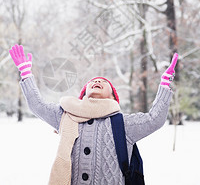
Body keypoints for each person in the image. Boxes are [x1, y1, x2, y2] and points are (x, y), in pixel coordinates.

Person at [9, 44, 178, 185]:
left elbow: (154, 119)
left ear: (113, 97)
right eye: (92, 82)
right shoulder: (66, 116)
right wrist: (26, 73)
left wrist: (164, 84)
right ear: (82, 95)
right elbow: (38, 105)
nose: (97, 81)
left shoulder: (122, 124)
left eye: (104, 82)